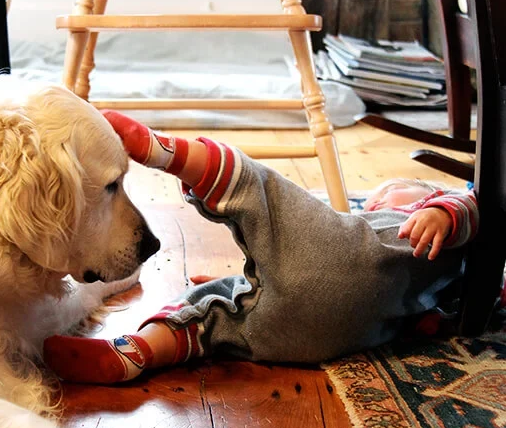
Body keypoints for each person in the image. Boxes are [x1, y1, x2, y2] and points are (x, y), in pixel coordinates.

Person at [44, 114, 478, 384]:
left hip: (310, 316)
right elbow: (309, 277)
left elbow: (480, 203)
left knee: (258, 191)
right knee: (211, 311)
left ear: (426, 194)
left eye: (386, 197)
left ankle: (164, 152)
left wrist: (446, 210)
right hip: (329, 337)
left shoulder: (425, 219)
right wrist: (238, 282)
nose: (375, 205)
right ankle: (133, 353)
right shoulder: (434, 285)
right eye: (376, 202)